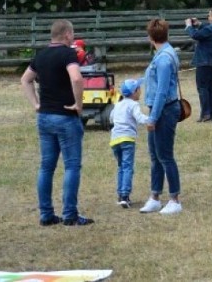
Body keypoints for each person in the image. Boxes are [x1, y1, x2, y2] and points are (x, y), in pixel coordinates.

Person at [20, 17, 93, 227]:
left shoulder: (41, 56)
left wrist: (36, 104)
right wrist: (78, 105)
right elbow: (77, 78)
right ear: (67, 35)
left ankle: (46, 214)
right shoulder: (68, 54)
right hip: (65, 116)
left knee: (46, 167)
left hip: (44, 116)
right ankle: (70, 214)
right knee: (71, 166)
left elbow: (25, 79)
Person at [140, 17, 183, 215]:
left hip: (164, 110)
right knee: (155, 155)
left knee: (165, 155)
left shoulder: (164, 58)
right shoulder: (163, 53)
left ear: (151, 37)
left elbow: (162, 92)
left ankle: (174, 199)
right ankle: (155, 196)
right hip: (159, 109)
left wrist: (153, 117)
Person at [185, 7, 212, 122]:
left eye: (209, 16)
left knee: (203, 88)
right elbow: (208, 30)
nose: (208, 18)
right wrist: (199, 24)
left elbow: (195, 35)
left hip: (204, 61)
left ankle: (205, 114)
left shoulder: (211, 29)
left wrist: (189, 26)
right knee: (210, 88)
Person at [110, 78, 148, 207]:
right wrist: (152, 119)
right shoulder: (133, 105)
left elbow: (111, 118)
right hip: (127, 139)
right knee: (128, 167)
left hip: (115, 140)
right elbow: (140, 118)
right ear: (134, 92)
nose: (140, 91)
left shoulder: (118, 104)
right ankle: (125, 196)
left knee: (121, 167)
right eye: (139, 89)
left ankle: (120, 194)